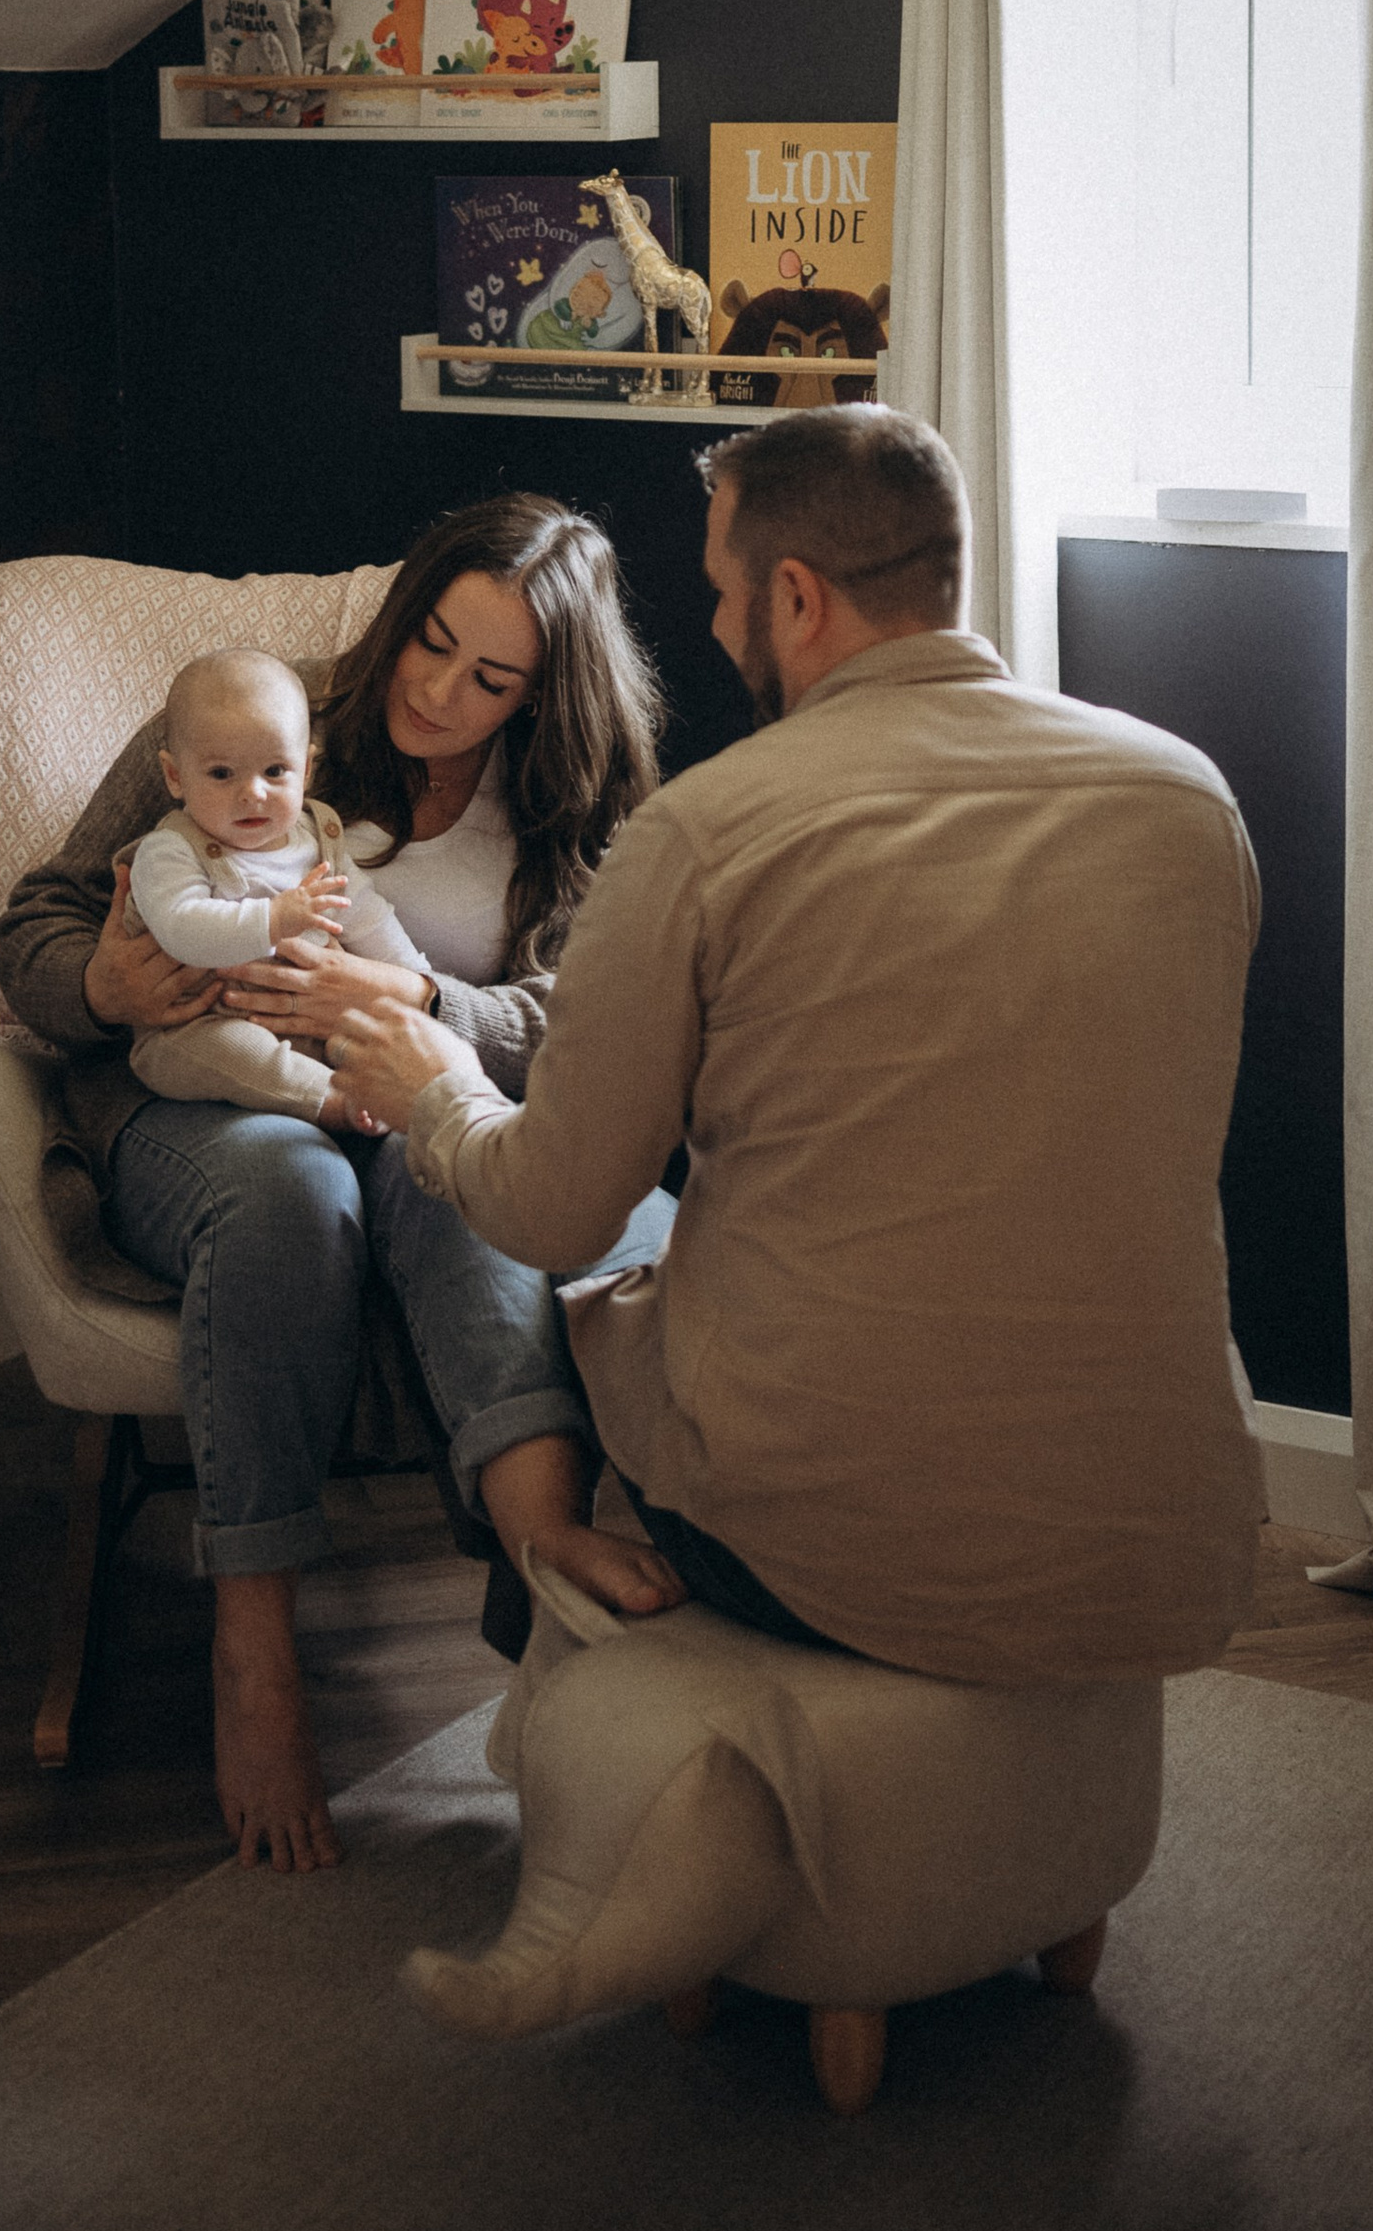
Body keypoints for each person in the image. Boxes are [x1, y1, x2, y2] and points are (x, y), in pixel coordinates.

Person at [331, 409, 1265, 1682]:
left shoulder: (710, 831)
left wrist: (433, 1084)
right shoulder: (1187, 801)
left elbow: (550, 1209)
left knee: (602, 1323)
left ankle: (588, 1726)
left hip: (828, 1557)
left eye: (721, 592)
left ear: (794, 595)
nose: (717, 630)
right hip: (1172, 1547)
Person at [0, 496, 680, 1876]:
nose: (437, 691)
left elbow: (599, 1021)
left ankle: (540, 1552)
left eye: (491, 680)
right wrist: (104, 978)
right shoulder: (259, 723)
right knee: (289, 1196)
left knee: (462, 1176)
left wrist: (422, 996)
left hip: (417, 1084)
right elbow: (38, 919)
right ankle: (256, 1655)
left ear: (550, 698)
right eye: (430, 642)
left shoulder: (585, 802)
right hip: (206, 1095)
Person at [123, 647, 424, 1128]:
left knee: (374, 1038)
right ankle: (330, 1102)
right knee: (239, 1051)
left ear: (305, 770)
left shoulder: (319, 837)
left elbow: (365, 912)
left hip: (314, 1023)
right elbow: (183, 929)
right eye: (222, 774)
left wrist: (415, 978)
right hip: (198, 1028)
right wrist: (275, 919)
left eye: (274, 771)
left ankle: (378, 1094)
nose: (253, 793)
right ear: (175, 776)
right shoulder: (170, 850)